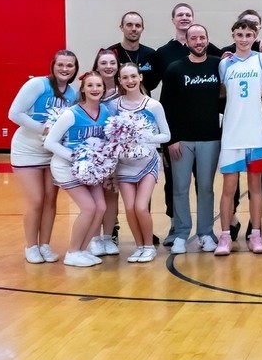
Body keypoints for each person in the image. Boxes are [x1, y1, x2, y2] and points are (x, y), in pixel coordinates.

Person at [214, 19, 262, 256]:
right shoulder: (225, 64)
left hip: (256, 134)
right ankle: (225, 237)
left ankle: (256, 235)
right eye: (239, 34)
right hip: (232, 133)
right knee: (228, 188)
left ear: (255, 36)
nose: (243, 38)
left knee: (255, 189)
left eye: (248, 34)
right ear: (233, 35)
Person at [9, 50, 79, 264]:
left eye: (70, 65)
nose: (65, 69)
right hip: (27, 151)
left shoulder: (73, 94)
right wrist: (44, 129)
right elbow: (14, 114)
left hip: (51, 153)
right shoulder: (38, 85)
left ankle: (45, 245)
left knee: (50, 200)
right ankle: (31, 246)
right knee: (36, 200)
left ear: (75, 69)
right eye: (61, 65)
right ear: (53, 65)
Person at [162, 23, 222, 254]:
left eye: (202, 37)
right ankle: (180, 233)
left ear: (207, 40)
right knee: (180, 187)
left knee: (206, 187)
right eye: (194, 38)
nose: (198, 42)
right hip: (181, 140)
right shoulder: (175, 69)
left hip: (210, 138)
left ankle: (206, 233)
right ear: (186, 41)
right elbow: (166, 106)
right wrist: (171, 139)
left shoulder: (218, 65)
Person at [42, 71, 111, 267]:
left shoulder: (105, 112)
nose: (95, 89)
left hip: (91, 168)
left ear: (104, 89)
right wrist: (76, 157)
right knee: (89, 208)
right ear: (83, 89)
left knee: (101, 207)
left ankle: (83, 249)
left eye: (98, 85)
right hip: (66, 166)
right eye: (90, 85)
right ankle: (72, 252)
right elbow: (50, 142)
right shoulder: (71, 113)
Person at [111, 64, 171, 263]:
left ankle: (148, 246)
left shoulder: (153, 105)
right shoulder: (114, 105)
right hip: (124, 164)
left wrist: (142, 137)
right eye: (125, 77)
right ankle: (138, 246)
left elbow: (166, 135)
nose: (130, 81)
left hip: (147, 162)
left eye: (133, 76)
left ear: (140, 77)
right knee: (129, 208)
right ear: (120, 81)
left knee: (140, 207)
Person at [89, 48, 122, 255]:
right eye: (104, 63)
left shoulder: (124, 89)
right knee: (94, 198)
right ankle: (93, 238)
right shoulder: (89, 89)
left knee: (111, 195)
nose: (108, 67)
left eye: (112, 63)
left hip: (115, 153)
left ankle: (108, 237)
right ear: (97, 66)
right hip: (92, 153)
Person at [108, 11, 155, 89]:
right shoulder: (111, 54)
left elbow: (153, 83)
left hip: (143, 99)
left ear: (142, 29)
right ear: (121, 27)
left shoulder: (151, 54)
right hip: (116, 99)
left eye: (138, 25)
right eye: (129, 25)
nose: (134, 29)